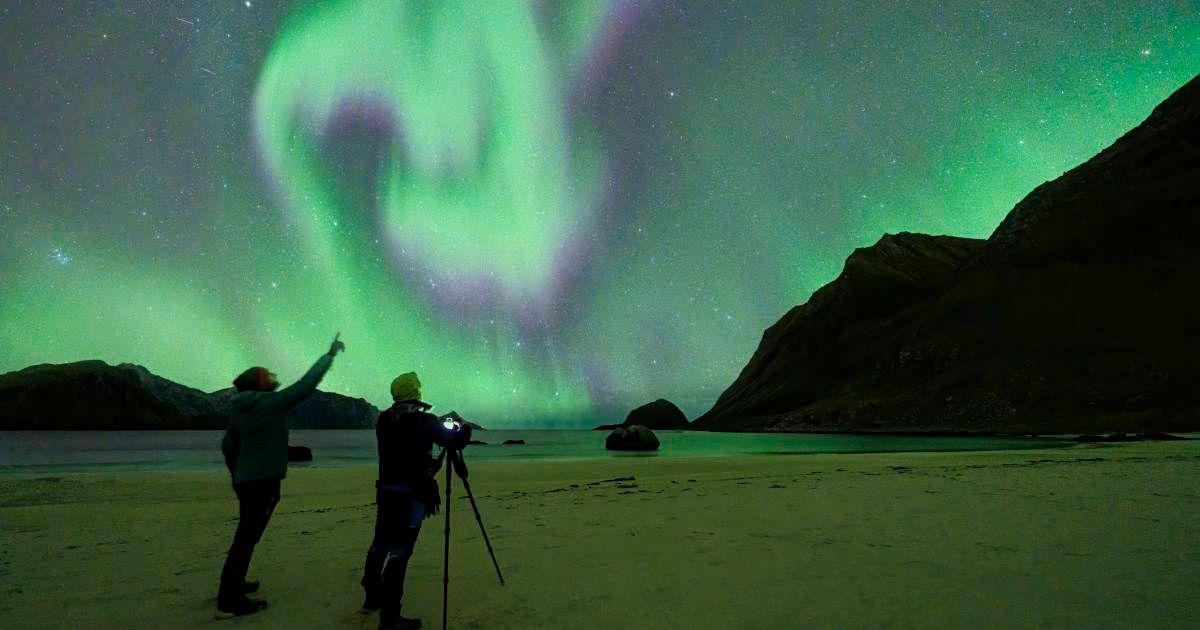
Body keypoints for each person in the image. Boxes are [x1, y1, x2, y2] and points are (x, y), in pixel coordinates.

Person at [216, 334, 346, 617]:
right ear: (258, 384)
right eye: (267, 375)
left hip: (247, 480)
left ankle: (235, 583)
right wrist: (329, 355)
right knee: (247, 537)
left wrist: (238, 474)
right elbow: (305, 386)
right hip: (262, 481)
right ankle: (228, 600)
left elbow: (228, 446)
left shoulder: (240, 409)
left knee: (247, 535)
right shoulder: (268, 403)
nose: (272, 377)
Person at [362, 372, 472, 630]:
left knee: (380, 542)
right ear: (417, 393)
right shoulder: (424, 421)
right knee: (400, 551)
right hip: (411, 496)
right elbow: (456, 440)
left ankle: (371, 595)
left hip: (386, 491)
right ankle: (390, 617)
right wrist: (463, 425)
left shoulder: (384, 419)